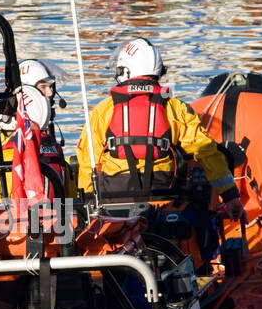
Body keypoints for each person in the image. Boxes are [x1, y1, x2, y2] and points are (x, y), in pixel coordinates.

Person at [76, 37, 240, 211]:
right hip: (164, 200)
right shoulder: (176, 108)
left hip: (113, 203)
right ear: (159, 72)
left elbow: (88, 160)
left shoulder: (103, 110)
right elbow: (206, 151)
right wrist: (230, 195)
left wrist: (87, 203)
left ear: (125, 71)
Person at [0, 59, 71, 205]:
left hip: (50, 218)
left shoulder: (50, 143)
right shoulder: (7, 152)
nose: (50, 92)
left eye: (51, 87)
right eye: (43, 87)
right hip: (33, 220)